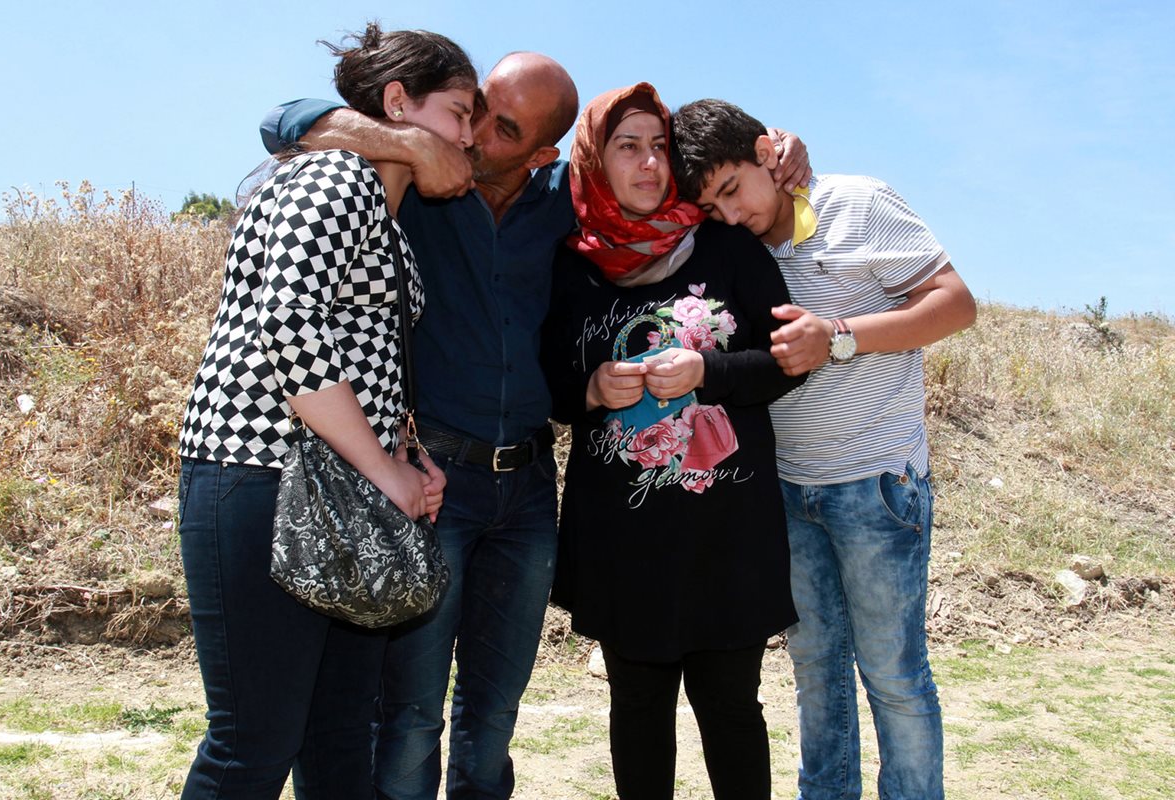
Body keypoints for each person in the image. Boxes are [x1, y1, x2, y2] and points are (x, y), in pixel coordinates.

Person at [259, 65, 810, 800]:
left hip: (591, 502)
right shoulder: (447, 197)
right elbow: (285, 118)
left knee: (510, 709)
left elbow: (778, 337)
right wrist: (589, 389)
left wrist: (786, 159)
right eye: (478, 113)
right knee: (418, 709)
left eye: (508, 130)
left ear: (549, 157)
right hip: (469, 487)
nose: (476, 135)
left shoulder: (628, 226)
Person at [175, 23, 470, 799]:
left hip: (341, 495)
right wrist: (385, 473)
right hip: (260, 473)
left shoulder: (390, 223)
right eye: (460, 111)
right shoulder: (332, 176)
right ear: (398, 103)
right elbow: (290, 327)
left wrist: (404, 464)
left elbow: (363, 363)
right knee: (252, 745)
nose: (468, 136)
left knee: (340, 741)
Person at [671, 98, 978, 800]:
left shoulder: (858, 203)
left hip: (876, 484)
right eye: (710, 205)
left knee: (894, 676)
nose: (730, 213)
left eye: (732, 189)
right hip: (785, 493)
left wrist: (837, 336)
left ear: (765, 155)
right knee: (815, 676)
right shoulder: (736, 248)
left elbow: (956, 304)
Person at [541, 83, 806, 800]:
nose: (649, 163)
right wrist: (591, 388)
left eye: (658, 146)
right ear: (595, 159)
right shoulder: (571, 263)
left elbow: (789, 363)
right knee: (635, 708)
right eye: (628, 146)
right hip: (622, 540)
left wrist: (707, 369)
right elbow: (551, 389)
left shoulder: (726, 246)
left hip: (727, 532)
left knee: (730, 710)